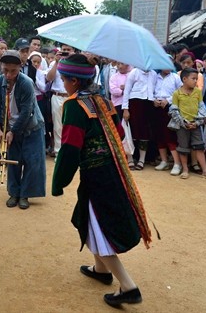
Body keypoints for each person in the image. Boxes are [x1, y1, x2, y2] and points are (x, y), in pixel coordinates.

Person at [51, 54, 152, 307]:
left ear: (74, 81)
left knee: (98, 226)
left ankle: (128, 286)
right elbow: (117, 133)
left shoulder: (75, 106)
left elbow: (71, 147)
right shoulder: (103, 100)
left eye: (64, 79)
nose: (63, 84)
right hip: (113, 169)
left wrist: (59, 180)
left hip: (96, 175)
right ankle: (100, 269)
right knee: (86, 218)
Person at [0, 50, 46, 209]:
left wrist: (12, 131)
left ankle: (25, 195)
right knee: (14, 160)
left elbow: (26, 111)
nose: (8, 75)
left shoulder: (26, 83)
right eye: (5, 70)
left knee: (31, 161)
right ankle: (14, 193)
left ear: (20, 67)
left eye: (13, 71)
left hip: (31, 127)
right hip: (10, 127)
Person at [168, 68, 206, 182]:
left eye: (196, 79)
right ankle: (185, 169)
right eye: (193, 79)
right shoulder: (177, 93)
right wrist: (183, 122)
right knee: (183, 148)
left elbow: (202, 108)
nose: (196, 81)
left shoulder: (197, 92)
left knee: (199, 147)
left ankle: (205, 171)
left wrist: (197, 122)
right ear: (184, 79)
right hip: (182, 125)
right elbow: (174, 111)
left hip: (196, 124)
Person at [122, 67, 157, 170]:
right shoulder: (134, 72)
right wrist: (125, 109)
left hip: (148, 104)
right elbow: (127, 91)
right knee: (131, 131)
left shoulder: (153, 73)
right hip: (135, 104)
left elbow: (154, 89)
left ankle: (142, 159)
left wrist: (154, 99)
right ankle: (130, 158)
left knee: (144, 132)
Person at [46, 44, 76, 156]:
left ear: (73, 51)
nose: (66, 52)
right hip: (57, 96)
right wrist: (57, 62)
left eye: (69, 50)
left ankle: (71, 152)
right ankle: (59, 152)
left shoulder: (76, 64)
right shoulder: (54, 63)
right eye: (64, 50)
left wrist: (73, 59)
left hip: (72, 97)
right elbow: (48, 78)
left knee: (73, 125)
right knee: (58, 126)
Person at [152, 69, 182, 175]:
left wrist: (168, 100)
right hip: (156, 107)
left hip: (169, 108)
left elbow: (180, 92)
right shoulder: (154, 76)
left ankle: (177, 163)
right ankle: (164, 161)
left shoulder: (175, 77)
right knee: (159, 135)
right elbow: (149, 90)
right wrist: (153, 100)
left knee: (170, 135)